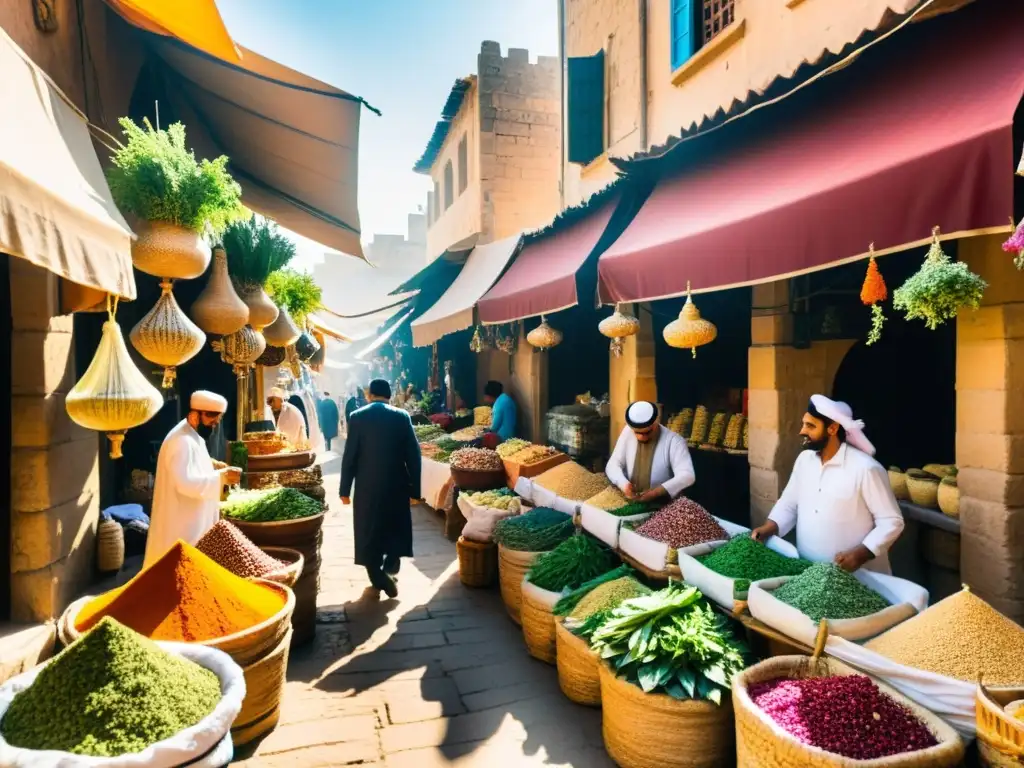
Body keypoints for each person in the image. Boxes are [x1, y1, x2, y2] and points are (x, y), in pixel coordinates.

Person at [751, 395, 905, 574]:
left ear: (832, 428)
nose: (802, 431)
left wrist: (861, 554)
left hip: (860, 578)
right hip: (810, 574)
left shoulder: (866, 468)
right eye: (804, 424)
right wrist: (769, 528)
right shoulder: (804, 460)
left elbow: (891, 522)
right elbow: (789, 503)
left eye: (810, 426)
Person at [340, 379, 421, 598]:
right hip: (396, 484)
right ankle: (389, 569)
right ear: (390, 395)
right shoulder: (402, 416)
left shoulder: (357, 417)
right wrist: (415, 490)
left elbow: (350, 456)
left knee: (369, 529)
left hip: (367, 486)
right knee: (395, 528)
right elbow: (414, 456)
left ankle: (377, 575)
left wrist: (344, 490)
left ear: (370, 395)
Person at [144, 391, 241, 567]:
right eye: (212, 420)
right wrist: (222, 477)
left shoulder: (188, 434)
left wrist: (211, 463)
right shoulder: (181, 441)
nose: (214, 425)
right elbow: (186, 483)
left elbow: (190, 462)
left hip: (189, 519)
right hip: (182, 524)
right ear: (196, 414)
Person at [605, 401, 696, 503]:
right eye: (637, 433)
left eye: (647, 432)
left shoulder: (674, 441)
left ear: (656, 422)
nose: (642, 437)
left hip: (664, 506)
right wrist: (624, 484)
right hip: (633, 502)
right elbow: (613, 464)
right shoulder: (628, 432)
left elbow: (688, 475)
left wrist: (657, 492)